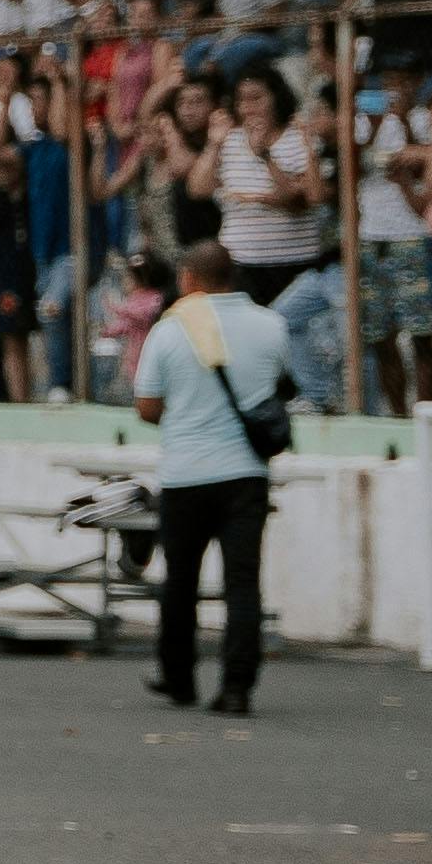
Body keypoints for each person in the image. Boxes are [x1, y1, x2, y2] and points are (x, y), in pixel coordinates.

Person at [130, 241, 293, 715]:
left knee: (180, 581)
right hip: (246, 473)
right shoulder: (272, 325)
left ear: (189, 278)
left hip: (185, 474)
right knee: (243, 581)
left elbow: (147, 407)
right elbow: (282, 384)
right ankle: (237, 686)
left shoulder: (170, 330)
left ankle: (178, 678)